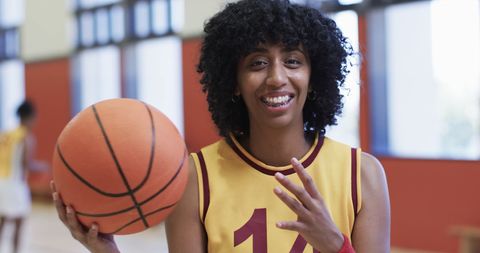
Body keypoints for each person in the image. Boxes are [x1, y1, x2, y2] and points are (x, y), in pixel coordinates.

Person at [51, 0, 390, 252]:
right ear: (233, 81)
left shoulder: (361, 175)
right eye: (257, 63)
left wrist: (334, 245)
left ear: (314, 77)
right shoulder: (195, 180)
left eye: (292, 61)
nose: (276, 77)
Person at [0, 100, 47, 253]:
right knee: (19, 224)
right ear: (31, 117)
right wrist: (42, 166)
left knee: (2, 222)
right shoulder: (26, 137)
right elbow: (26, 164)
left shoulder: (6, 134)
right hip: (15, 184)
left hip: (1, 182)